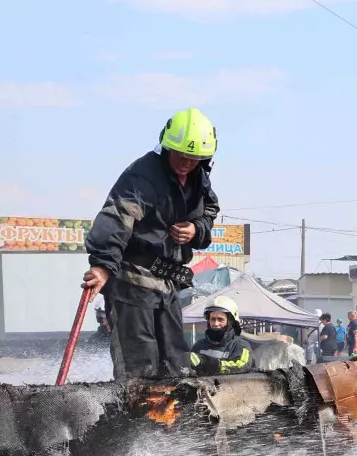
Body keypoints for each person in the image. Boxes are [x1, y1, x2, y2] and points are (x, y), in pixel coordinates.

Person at [83, 107, 220, 379]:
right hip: (132, 281)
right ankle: (135, 421)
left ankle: (172, 421)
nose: (186, 162)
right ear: (167, 146)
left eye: (193, 158)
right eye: (181, 155)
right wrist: (101, 265)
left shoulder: (199, 180)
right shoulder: (142, 175)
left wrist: (196, 229)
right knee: (139, 366)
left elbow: (210, 211)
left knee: (176, 364)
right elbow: (117, 217)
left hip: (167, 284)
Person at [188, 294, 253, 375]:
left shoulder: (241, 346)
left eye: (220, 319)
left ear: (230, 321)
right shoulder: (198, 345)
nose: (216, 323)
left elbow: (241, 365)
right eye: (212, 319)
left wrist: (210, 364)